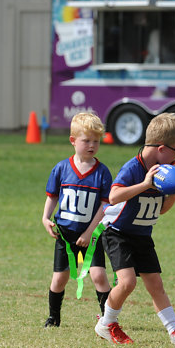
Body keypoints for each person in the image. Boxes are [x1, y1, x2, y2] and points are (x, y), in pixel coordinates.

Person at [94, 113, 175, 345]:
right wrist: (144, 184)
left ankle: (174, 332)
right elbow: (113, 196)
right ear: (161, 148)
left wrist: (173, 192)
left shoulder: (163, 172)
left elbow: (160, 210)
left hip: (142, 235)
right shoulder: (134, 168)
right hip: (117, 233)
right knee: (127, 282)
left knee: (155, 284)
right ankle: (107, 324)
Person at [41, 112, 113, 327]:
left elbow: (105, 206)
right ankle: (54, 317)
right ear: (73, 141)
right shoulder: (61, 168)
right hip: (65, 234)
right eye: (86, 140)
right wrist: (45, 218)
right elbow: (52, 196)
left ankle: (109, 319)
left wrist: (89, 232)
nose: (92, 145)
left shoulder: (102, 172)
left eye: (96, 141)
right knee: (59, 279)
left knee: (98, 276)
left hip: (91, 235)